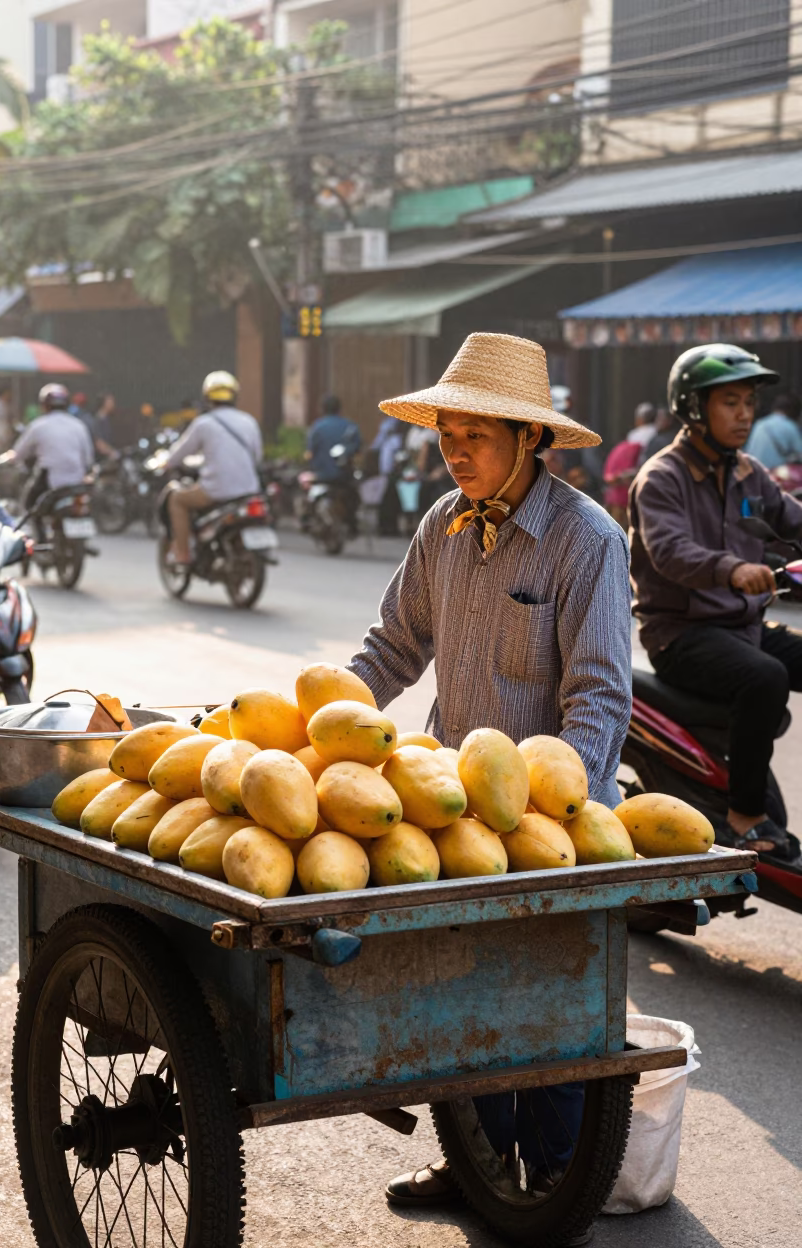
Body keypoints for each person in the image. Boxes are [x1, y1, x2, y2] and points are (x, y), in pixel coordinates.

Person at [344, 333, 632, 1215]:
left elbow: (599, 701)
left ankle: (550, 1171)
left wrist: (549, 812)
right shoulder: (442, 524)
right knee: (453, 991)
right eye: (446, 432)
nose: (455, 449)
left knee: (542, 1004)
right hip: (452, 811)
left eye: (476, 433)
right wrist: (323, 728)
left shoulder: (587, 542)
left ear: (530, 440)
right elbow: (394, 646)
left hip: (550, 821)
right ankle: (471, 1158)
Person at [630, 343, 802, 857]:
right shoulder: (662, 478)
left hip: (742, 629)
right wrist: (735, 570)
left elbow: (791, 517)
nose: (744, 414)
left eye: (749, 401)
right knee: (765, 677)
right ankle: (747, 817)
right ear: (693, 406)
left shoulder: (749, 471)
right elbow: (671, 552)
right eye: (730, 401)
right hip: (683, 635)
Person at [162, 370, 262, 566]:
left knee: (177, 500)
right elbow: (257, 457)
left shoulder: (204, 424)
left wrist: (166, 463)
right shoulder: (249, 421)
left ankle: (182, 553)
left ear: (207, 397)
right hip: (249, 490)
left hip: (216, 490)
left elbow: (179, 453)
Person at [6, 383, 94, 510]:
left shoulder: (38, 426)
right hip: (77, 483)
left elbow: (18, 454)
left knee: (28, 505)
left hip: (49, 484)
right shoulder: (79, 425)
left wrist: (9, 459)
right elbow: (88, 458)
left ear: (44, 405)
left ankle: (38, 529)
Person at [305, 395, 361, 479]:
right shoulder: (350, 426)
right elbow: (358, 450)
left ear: (322, 409)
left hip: (322, 476)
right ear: (339, 409)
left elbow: (310, 453)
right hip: (345, 478)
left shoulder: (317, 428)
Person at [745, 392, 802, 469]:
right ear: (793, 410)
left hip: (754, 472)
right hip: (774, 475)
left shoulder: (760, 424)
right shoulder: (790, 426)